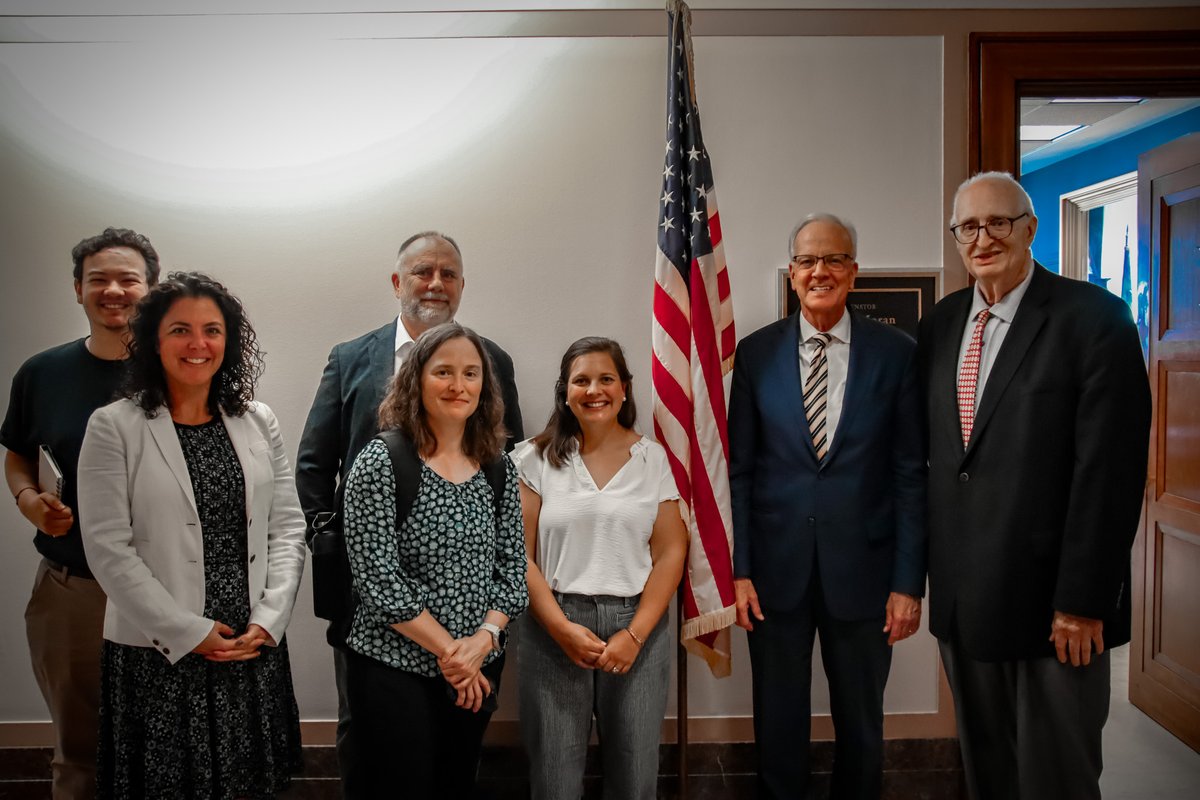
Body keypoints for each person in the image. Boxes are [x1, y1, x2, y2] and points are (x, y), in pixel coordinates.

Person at [918, 172, 1151, 800]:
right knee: (989, 774)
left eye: (999, 222)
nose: (983, 237)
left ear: (1031, 229)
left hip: (1056, 610)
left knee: (1057, 780)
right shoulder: (940, 326)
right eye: (968, 226)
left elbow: (1110, 473)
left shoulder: (1095, 319)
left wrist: (1083, 601)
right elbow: (945, 463)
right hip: (966, 606)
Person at [295, 230, 523, 792]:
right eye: (423, 272)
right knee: (373, 755)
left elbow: (509, 532)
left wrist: (478, 644)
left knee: (451, 772)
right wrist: (342, 549)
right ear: (399, 282)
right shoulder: (351, 360)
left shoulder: (493, 364)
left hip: (473, 647)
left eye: (448, 274)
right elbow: (313, 466)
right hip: (374, 614)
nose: (436, 283)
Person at [77, 272, 306, 799]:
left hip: (249, 644)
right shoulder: (114, 426)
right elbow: (108, 548)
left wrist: (270, 619)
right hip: (159, 653)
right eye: (180, 330)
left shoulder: (257, 419)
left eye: (212, 330)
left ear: (229, 340)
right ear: (154, 340)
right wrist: (185, 631)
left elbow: (287, 526)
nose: (198, 344)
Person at [729, 214, 926, 799]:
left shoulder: (897, 354)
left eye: (834, 260)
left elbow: (910, 474)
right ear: (792, 273)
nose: (821, 271)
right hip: (773, 574)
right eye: (808, 261)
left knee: (862, 724)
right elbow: (740, 470)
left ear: (854, 273)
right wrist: (739, 570)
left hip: (865, 574)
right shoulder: (756, 354)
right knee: (778, 720)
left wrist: (908, 582)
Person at [1, 227, 160, 799]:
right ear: (78, 290)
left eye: (129, 280)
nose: (114, 290)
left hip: (170, 587)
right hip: (74, 590)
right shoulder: (42, 374)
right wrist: (27, 501)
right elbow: (18, 454)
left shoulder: (184, 371)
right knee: (80, 753)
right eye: (99, 280)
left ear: (153, 289)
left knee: (169, 749)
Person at [339, 322, 528, 797]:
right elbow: (377, 579)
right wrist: (451, 653)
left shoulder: (498, 463)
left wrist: (481, 643)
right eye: (443, 371)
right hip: (394, 669)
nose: (458, 385)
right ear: (416, 379)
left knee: (456, 783)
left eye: (470, 373)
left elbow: (513, 570)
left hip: (477, 664)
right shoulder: (381, 461)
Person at [512, 337, 688, 800]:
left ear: (625, 388)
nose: (594, 390)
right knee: (554, 778)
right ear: (565, 392)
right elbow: (518, 554)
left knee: (635, 776)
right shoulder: (532, 459)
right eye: (581, 380)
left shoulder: (653, 460)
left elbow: (671, 551)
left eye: (606, 379)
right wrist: (560, 628)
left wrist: (634, 636)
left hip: (636, 628)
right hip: (552, 627)